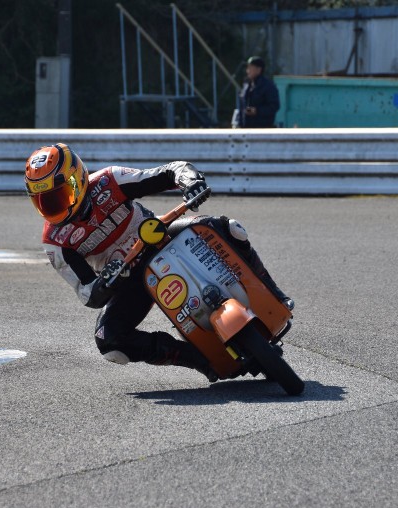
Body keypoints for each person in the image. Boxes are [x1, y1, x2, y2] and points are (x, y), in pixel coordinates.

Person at [25, 143, 293, 381]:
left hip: (161, 238)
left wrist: (190, 181)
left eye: (59, 195)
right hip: (129, 279)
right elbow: (87, 292)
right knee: (109, 340)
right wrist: (106, 283)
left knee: (228, 228)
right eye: (43, 201)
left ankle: (273, 294)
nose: (52, 206)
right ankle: (201, 359)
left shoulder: (109, 180)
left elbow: (170, 171)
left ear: (78, 180)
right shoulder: (55, 241)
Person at [233, 56, 280, 128]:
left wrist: (257, 111)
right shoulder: (247, 85)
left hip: (261, 129)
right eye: (247, 68)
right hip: (245, 129)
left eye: (250, 68)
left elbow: (274, 106)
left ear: (259, 70)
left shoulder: (268, 86)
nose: (247, 71)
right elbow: (242, 107)